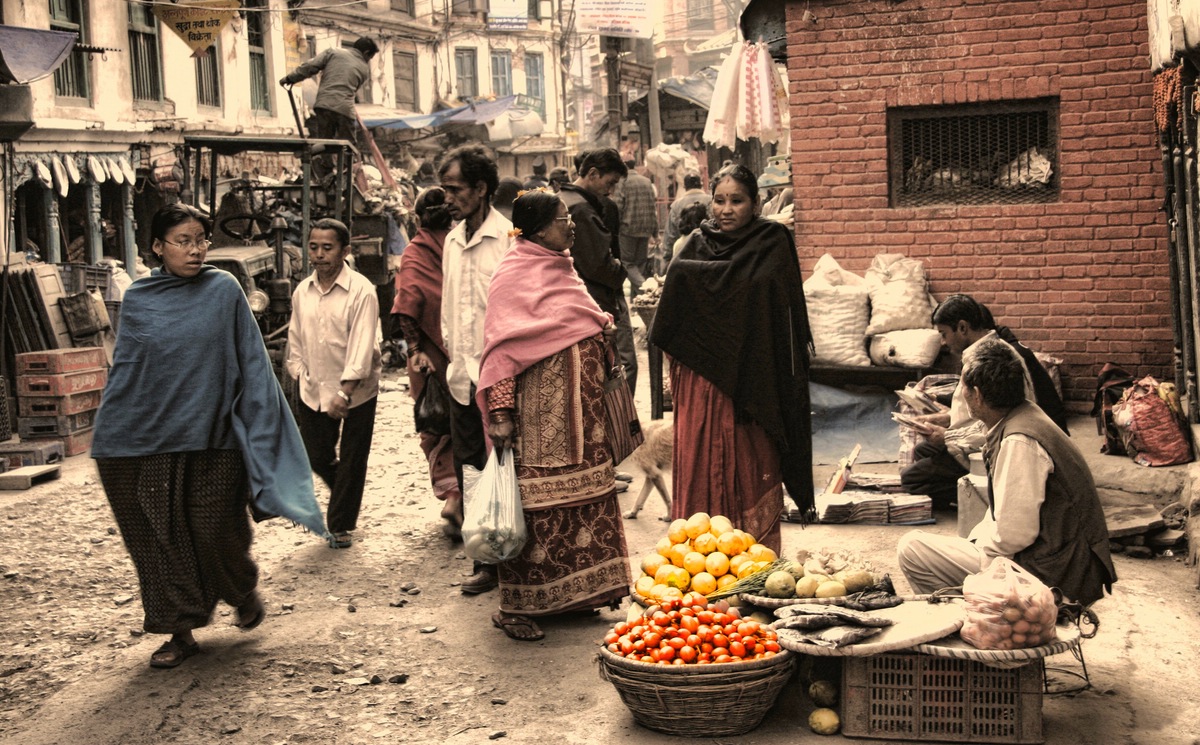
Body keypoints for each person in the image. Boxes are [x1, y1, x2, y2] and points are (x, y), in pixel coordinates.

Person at [91, 204, 325, 670]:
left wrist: (264, 420)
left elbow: (252, 358)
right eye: (184, 240)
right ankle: (179, 631)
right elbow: (131, 371)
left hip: (216, 433)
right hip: (149, 435)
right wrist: (113, 431)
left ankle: (240, 589)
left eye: (201, 239)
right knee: (159, 537)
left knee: (216, 529)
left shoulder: (224, 290)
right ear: (157, 247)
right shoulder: (139, 297)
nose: (196, 249)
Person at [476, 188, 631, 641]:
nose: (572, 224)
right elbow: (502, 350)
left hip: (586, 420)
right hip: (539, 426)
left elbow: (579, 319)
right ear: (540, 228)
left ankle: (580, 596)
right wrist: (500, 412)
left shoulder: (563, 268)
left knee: (587, 501)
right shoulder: (514, 274)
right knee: (539, 510)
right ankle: (517, 607)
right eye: (564, 218)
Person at [650, 164, 815, 553]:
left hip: (755, 378)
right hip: (703, 380)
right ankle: (699, 559)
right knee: (703, 463)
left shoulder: (773, 241)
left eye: (737, 201)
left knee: (748, 460)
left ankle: (754, 558)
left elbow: (786, 311)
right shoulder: (694, 244)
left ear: (756, 203)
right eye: (719, 201)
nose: (726, 209)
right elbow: (672, 315)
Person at [897, 339, 1116, 606]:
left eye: (963, 387)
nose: (961, 394)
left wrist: (977, 557)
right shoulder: (1023, 414)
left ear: (976, 394)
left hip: (1054, 577)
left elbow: (1014, 535)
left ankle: (972, 617)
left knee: (912, 549)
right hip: (1055, 561)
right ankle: (978, 610)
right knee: (957, 546)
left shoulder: (1019, 440)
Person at [412, 145, 513, 594]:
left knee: (506, 467)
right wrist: (450, 355)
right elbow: (451, 309)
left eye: (454, 190)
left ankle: (514, 560)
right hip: (461, 376)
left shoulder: (509, 238)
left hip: (501, 376)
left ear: (481, 189)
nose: (446, 198)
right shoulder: (451, 241)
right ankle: (486, 560)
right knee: (470, 467)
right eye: (445, 189)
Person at [900, 294, 1069, 509]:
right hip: (977, 437)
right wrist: (944, 420)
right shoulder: (983, 351)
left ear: (962, 327)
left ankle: (982, 495)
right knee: (923, 451)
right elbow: (980, 414)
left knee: (911, 479)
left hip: (991, 447)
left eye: (944, 334)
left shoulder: (990, 360)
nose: (943, 342)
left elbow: (997, 427)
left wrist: (948, 436)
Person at [287, 218, 382, 550]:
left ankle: (340, 523)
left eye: (327, 248)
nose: (319, 255)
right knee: (316, 454)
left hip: (356, 390)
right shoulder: (302, 291)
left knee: (354, 456)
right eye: (313, 247)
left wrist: (346, 390)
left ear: (345, 251)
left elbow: (362, 345)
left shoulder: (362, 291)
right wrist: (297, 371)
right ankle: (346, 489)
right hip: (314, 386)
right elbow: (295, 338)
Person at [392, 187, 462, 537]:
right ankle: (461, 497)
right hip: (462, 350)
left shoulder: (414, 252)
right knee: (464, 423)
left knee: (433, 427)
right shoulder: (460, 245)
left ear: (418, 219)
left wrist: (416, 347)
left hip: (426, 357)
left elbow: (408, 303)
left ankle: (452, 495)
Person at [558, 149, 638, 395]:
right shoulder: (581, 209)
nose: (610, 190)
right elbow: (600, 265)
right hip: (593, 301)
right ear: (592, 174)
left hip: (573, 300)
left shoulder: (563, 199)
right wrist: (621, 270)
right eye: (610, 182)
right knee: (613, 371)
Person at [279, 37, 378, 184]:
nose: (368, 61)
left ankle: (326, 173)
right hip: (345, 110)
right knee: (348, 145)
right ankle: (346, 175)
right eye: (370, 57)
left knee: (325, 143)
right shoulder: (364, 69)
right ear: (366, 52)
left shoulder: (333, 52)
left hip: (324, 105)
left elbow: (310, 66)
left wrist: (290, 78)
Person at [612, 159, 659, 298]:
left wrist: (615, 227)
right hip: (646, 227)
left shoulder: (622, 182)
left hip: (628, 228)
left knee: (627, 263)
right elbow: (653, 207)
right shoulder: (646, 182)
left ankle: (646, 290)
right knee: (639, 264)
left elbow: (618, 206)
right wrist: (655, 232)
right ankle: (637, 299)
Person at [661, 172, 710, 267]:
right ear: (701, 185)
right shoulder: (711, 201)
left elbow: (671, 235)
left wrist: (667, 259)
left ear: (685, 187)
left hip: (683, 253)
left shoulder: (676, 205)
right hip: (709, 252)